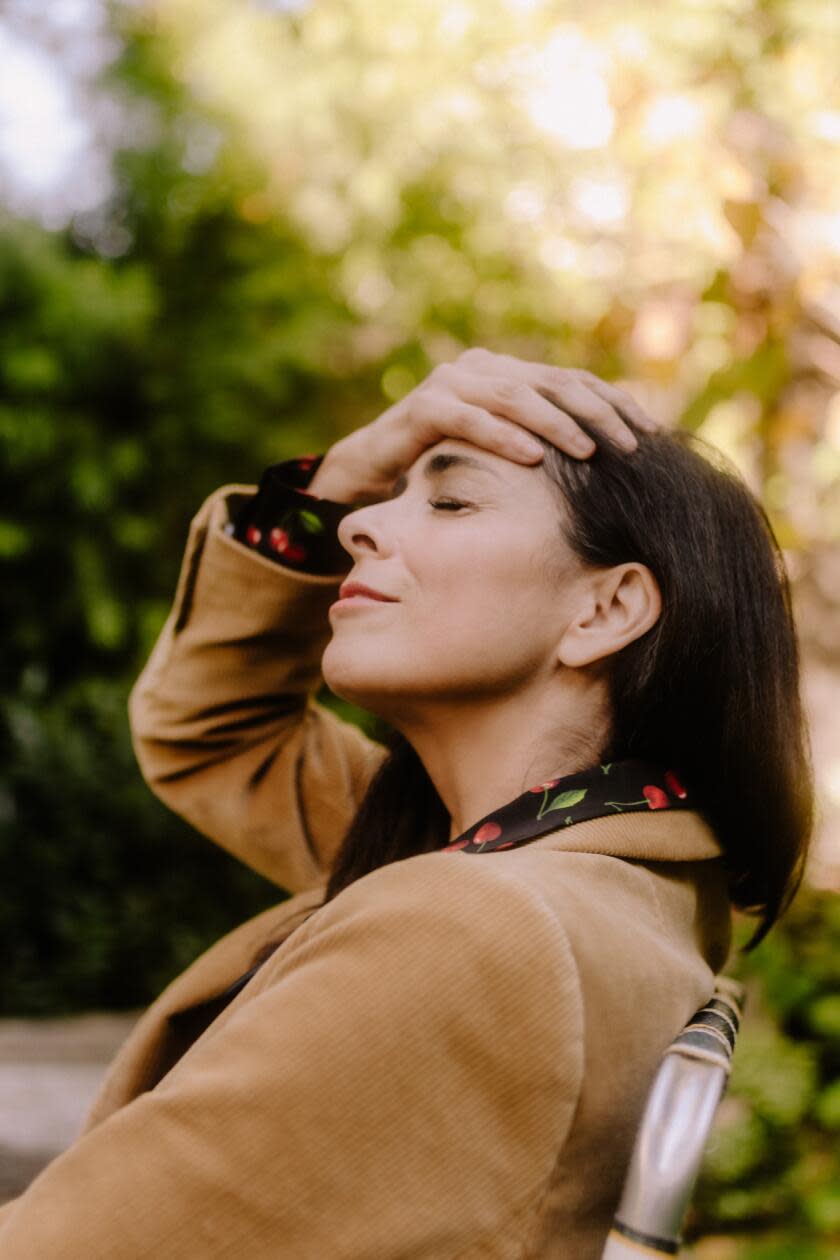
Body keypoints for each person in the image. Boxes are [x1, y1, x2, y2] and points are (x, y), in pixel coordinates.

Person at [0, 348, 814, 1258]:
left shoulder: (473, 928)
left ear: (605, 609)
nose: (358, 526)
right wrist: (335, 480)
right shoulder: (601, 877)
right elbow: (212, 730)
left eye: (451, 500)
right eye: (380, 498)